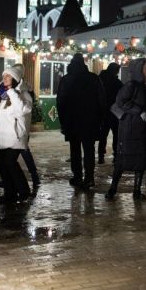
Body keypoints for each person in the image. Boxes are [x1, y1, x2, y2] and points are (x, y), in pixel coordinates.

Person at [106, 58, 146, 200]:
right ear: (140, 70)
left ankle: (137, 191)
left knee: (141, 159)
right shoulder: (131, 85)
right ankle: (112, 188)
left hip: (144, 128)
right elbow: (120, 102)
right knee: (123, 159)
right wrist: (138, 110)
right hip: (130, 127)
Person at [56, 53, 106, 190]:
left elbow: (60, 101)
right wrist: (101, 118)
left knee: (75, 149)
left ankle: (77, 176)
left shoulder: (66, 80)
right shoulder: (93, 78)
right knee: (89, 149)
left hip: (72, 121)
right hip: (90, 120)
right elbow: (102, 100)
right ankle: (89, 178)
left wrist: (63, 121)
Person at [0, 67, 32, 204]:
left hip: (15, 135)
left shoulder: (23, 94)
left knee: (9, 162)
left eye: (8, 76)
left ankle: (23, 190)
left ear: (15, 79)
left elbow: (20, 111)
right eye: (4, 75)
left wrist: (11, 92)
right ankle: (10, 193)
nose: (4, 78)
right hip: (1, 134)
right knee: (1, 164)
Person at [12, 63, 40, 190]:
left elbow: (25, 108)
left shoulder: (24, 89)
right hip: (14, 126)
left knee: (21, 152)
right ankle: (31, 177)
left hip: (20, 126)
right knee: (15, 154)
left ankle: (32, 178)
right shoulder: (21, 87)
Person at [98, 62, 123, 164]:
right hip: (114, 112)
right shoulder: (117, 83)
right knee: (116, 135)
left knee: (103, 134)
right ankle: (116, 155)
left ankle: (100, 155)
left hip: (103, 111)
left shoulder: (100, 80)